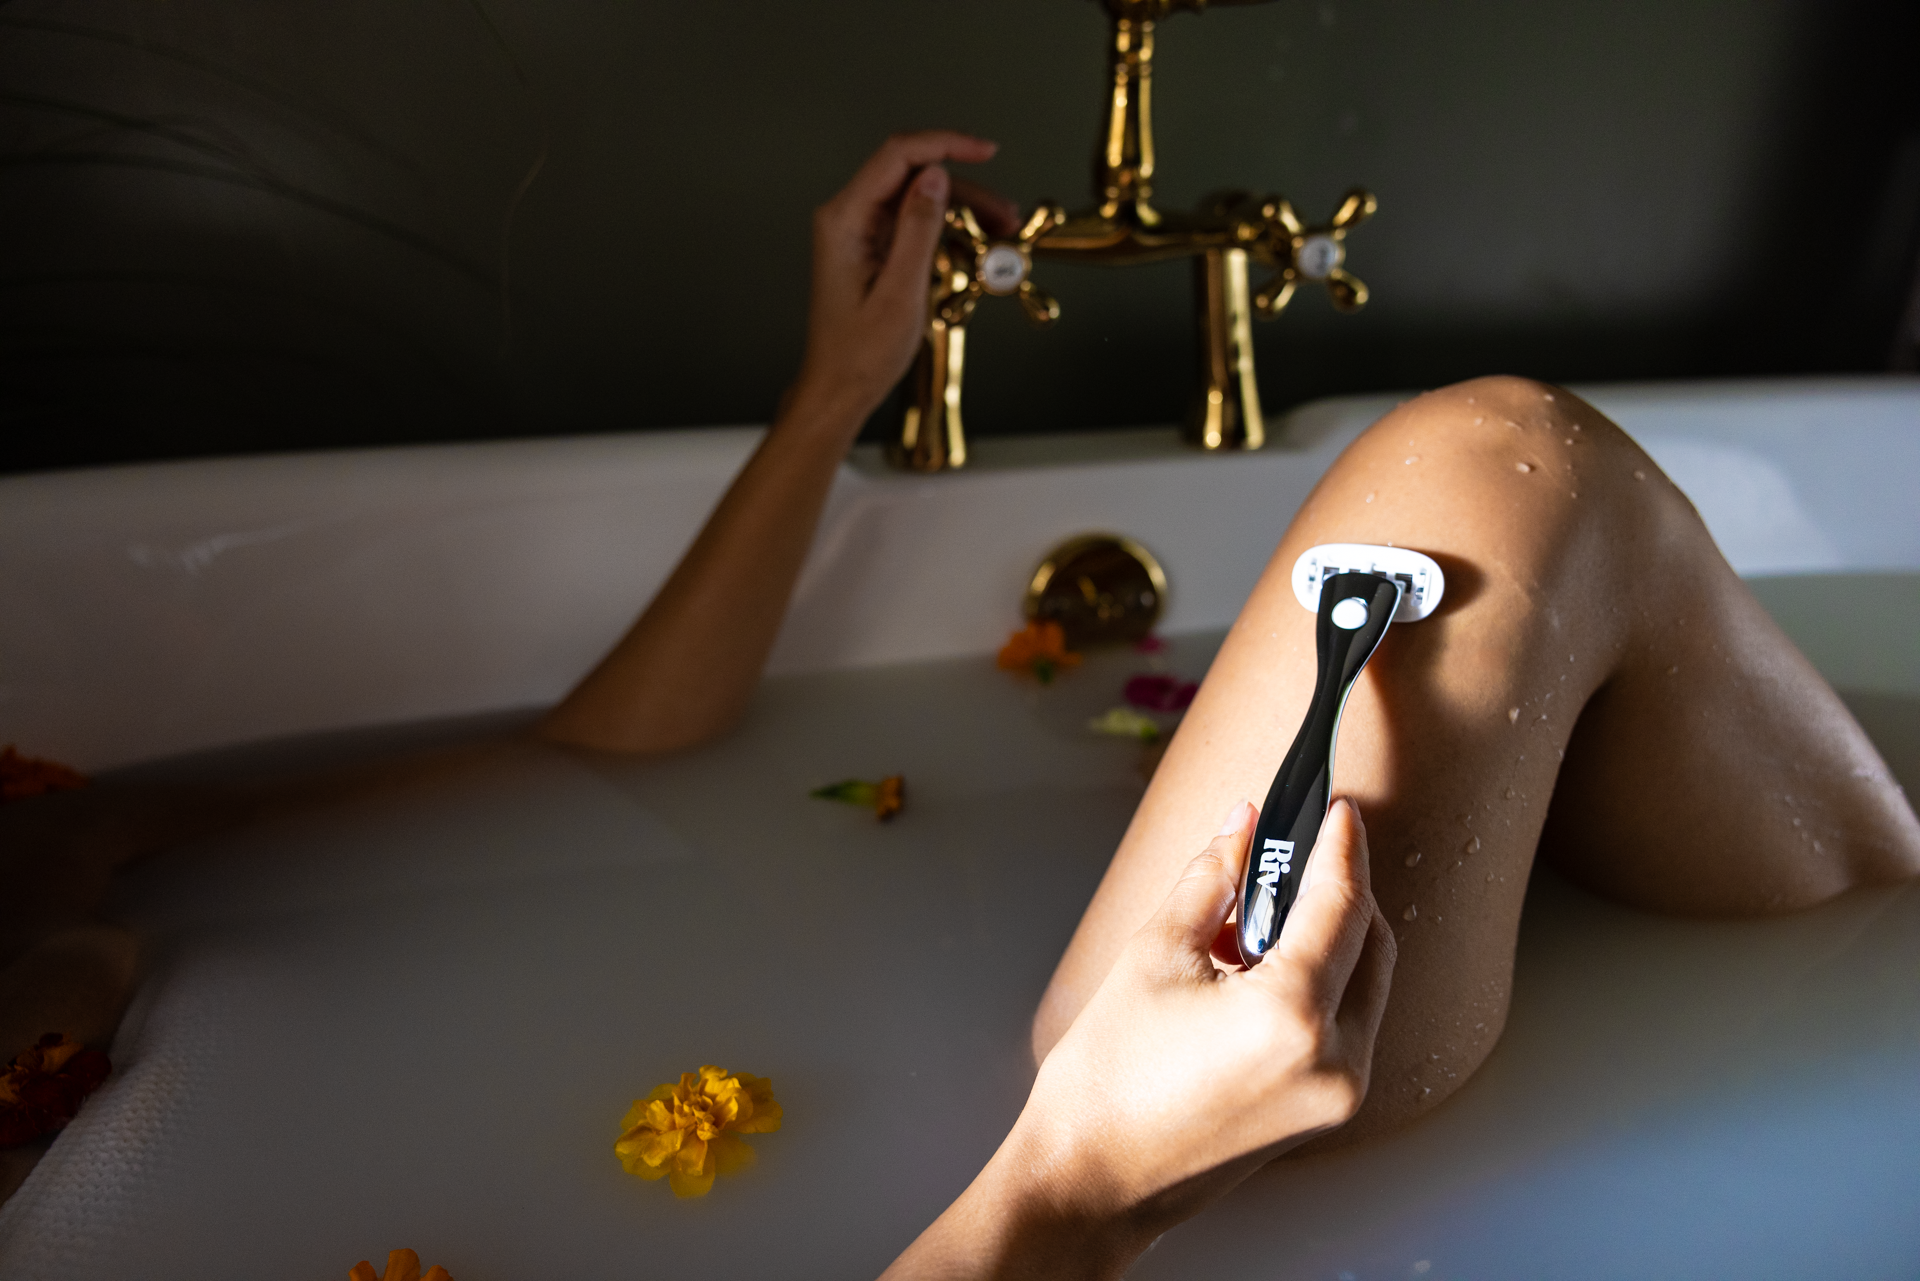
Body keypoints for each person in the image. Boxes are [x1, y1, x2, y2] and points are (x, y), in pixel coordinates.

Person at [1028, 373, 1920, 1144]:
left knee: (1500, 457)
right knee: (1501, 450)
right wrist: (1084, 1174)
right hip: (1148, 1119)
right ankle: (1884, 902)